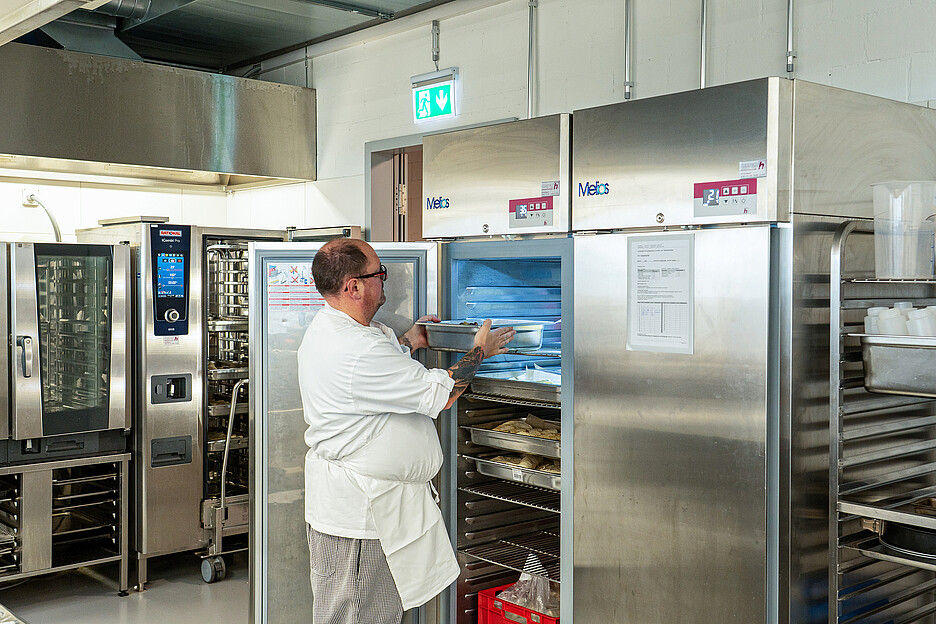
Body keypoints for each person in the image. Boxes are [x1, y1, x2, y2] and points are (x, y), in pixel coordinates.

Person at [297, 238, 515, 624]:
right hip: (360, 518)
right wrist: (481, 350)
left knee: (366, 613)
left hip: (360, 510)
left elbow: (376, 376)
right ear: (353, 287)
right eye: (379, 274)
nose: (385, 280)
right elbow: (442, 394)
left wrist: (412, 340)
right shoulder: (356, 349)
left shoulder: (332, 328)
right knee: (357, 616)